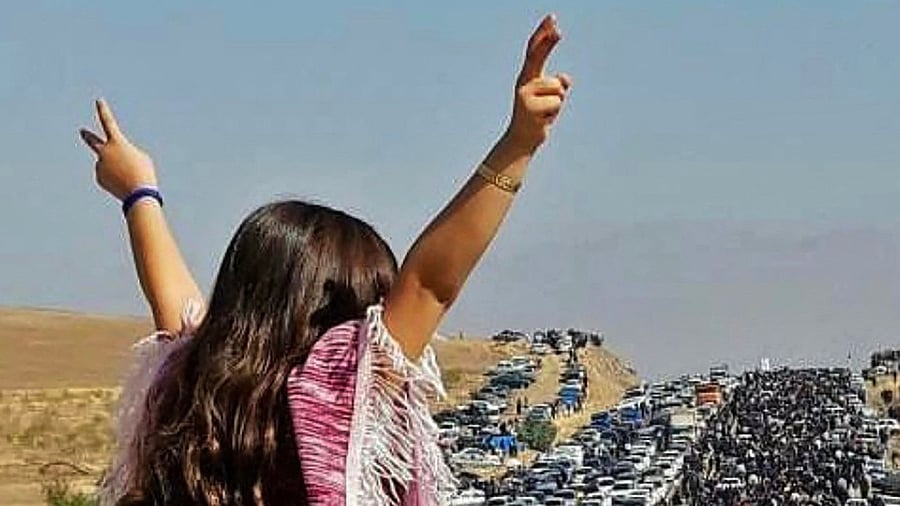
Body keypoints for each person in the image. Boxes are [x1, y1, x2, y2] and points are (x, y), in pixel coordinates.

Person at [79, 14, 571, 506]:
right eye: (376, 305)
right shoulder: (339, 393)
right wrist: (518, 145)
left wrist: (139, 192)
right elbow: (430, 284)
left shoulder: (191, 396)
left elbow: (177, 307)